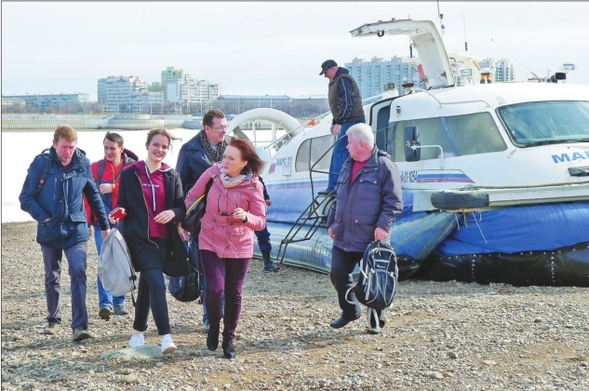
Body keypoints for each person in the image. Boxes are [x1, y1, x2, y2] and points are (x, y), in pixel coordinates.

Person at [19, 125, 111, 342]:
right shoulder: (41, 163)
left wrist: (105, 224)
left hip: (76, 229)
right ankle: (53, 318)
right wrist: (44, 217)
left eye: (72, 147)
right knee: (52, 276)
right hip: (49, 229)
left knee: (79, 273)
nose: (68, 152)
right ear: (55, 144)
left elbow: (94, 195)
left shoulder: (82, 163)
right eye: (64, 147)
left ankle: (80, 326)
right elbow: (26, 198)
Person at [185, 137, 266, 359]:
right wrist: (185, 221)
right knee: (214, 289)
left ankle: (228, 336)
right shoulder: (212, 174)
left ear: (244, 162)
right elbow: (192, 196)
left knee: (234, 292)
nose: (225, 162)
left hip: (240, 244)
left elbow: (260, 220)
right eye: (224, 157)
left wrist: (246, 217)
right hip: (209, 238)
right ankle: (213, 324)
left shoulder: (254, 185)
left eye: (231, 158)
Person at [113, 128, 186, 354]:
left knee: (147, 285)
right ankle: (166, 336)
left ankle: (137, 334)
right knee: (157, 284)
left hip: (164, 241)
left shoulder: (171, 175)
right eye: (156, 145)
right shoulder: (129, 173)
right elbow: (122, 204)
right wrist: (118, 213)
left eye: (164, 147)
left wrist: (173, 213)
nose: (160, 150)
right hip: (139, 240)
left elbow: (182, 207)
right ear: (147, 145)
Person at [326, 123, 403, 334]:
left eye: (349, 142)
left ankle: (376, 319)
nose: (347, 147)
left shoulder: (385, 166)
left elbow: (394, 202)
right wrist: (331, 222)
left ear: (361, 144)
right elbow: (338, 197)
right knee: (337, 273)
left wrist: (383, 226)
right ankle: (350, 311)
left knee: (376, 278)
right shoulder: (347, 165)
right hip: (344, 235)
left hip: (372, 236)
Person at [176, 109, 228, 334]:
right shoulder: (189, 150)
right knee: (209, 271)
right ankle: (211, 317)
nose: (224, 131)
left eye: (226, 127)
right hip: (202, 220)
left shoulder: (233, 148)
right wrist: (180, 218)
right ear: (207, 129)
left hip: (230, 219)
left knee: (228, 271)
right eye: (220, 128)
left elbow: (252, 172)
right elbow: (179, 185)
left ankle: (224, 312)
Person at [85, 131, 138, 320]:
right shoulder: (95, 168)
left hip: (125, 222)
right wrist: (87, 221)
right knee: (106, 260)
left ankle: (119, 302)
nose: (108, 151)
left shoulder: (132, 168)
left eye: (112, 148)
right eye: (105, 148)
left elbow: (135, 192)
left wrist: (113, 188)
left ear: (121, 149)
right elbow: (86, 196)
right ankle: (105, 303)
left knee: (123, 261)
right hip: (102, 224)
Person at [319, 59, 366, 194]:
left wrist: (339, 121)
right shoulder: (336, 81)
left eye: (326, 72)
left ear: (333, 69)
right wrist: (335, 121)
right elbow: (339, 105)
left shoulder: (343, 80)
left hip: (352, 121)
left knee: (339, 152)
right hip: (349, 120)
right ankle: (339, 185)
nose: (325, 75)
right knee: (342, 153)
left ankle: (335, 186)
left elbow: (347, 102)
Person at [256, 176, 279, 272]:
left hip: (256, 208)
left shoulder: (254, 174)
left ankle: (267, 262)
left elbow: (260, 184)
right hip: (241, 209)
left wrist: (266, 197)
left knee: (263, 235)